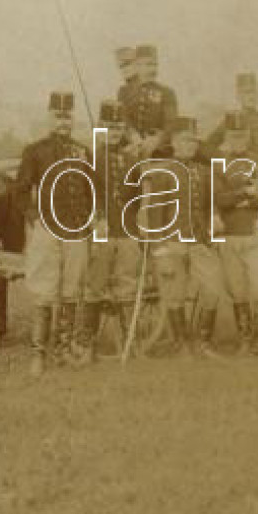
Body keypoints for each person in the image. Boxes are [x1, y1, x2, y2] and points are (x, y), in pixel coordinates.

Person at [14, 91, 96, 376]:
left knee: (73, 289)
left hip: (76, 230)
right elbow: (21, 191)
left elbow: (91, 190)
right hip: (48, 229)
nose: (63, 121)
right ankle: (38, 353)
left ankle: (63, 347)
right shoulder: (35, 151)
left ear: (73, 119)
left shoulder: (83, 150)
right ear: (49, 118)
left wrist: (91, 219)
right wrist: (34, 217)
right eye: (58, 116)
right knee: (45, 292)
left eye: (67, 116)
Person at [153, 116, 227, 358]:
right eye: (185, 140)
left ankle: (204, 342)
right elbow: (155, 214)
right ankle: (181, 344)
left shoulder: (204, 171)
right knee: (174, 294)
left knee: (213, 289)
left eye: (194, 141)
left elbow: (211, 204)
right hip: (173, 242)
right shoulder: (164, 173)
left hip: (200, 241)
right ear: (174, 142)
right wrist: (160, 249)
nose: (191, 145)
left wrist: (214, 217)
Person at [79, 99, 140, 362]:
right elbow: (84, 194)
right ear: (101, 128)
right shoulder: (91, 157)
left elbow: (137, 196)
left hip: (126, 230)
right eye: (109, 127)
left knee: (127, 285)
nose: (114, 132)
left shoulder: (131, 158)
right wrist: (96, 218)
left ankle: (129, 345)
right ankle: (87, 348)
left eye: (119, 127)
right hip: (102, 230)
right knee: (95, 287)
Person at [213, 114, 258, 357]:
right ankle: (245, 340)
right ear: (226, 137)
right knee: (237, 290)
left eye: (242, 135)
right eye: (232, 135)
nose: (237, 140)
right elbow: (219, 199)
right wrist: (248, 193)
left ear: (249, 136)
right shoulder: (217, 164)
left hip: (257, 231)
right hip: (229, 234)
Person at [117, 43, 178, 158]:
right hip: (132, 147)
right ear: (137, 66)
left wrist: (157, 140)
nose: (153, 69)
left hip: (158, 150)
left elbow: (171, 123)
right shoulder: (124, 91)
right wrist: (133, 137)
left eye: (155, 65)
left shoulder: (167, 92)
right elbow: (123, 118)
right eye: (148, 65)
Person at [206, 72, 258, 161]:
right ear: (238, 96)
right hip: (240, 169)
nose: (251, 96)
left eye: (253, 92)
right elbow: (209, 146)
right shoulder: (231, 121)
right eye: (246, 93)